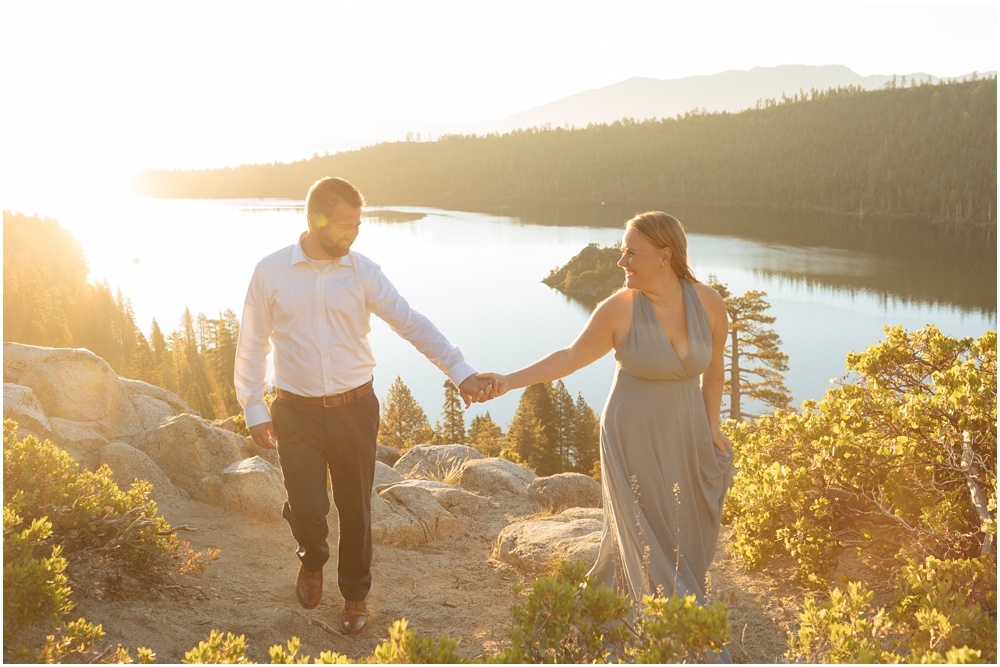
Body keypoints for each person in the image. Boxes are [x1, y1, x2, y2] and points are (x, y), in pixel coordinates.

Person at [234, 176, 494, 635]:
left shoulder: (363, 272)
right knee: (308, 506)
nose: (352, 235)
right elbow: (252, 344)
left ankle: (355, 593)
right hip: (295, 410)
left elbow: (411, 323)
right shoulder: (270, 272)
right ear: (314, 220)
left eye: (357, 225)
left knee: (355, 508)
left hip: (355, 408)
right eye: (342, 226)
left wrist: (460, 370)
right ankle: (311, 558)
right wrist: (253, 405)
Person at [480, 211, 736, 661]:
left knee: (685, 525)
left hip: (687, 428)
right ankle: (671, 626)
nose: (622, 260)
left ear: (665, 255)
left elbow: (713, 372)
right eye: (623, 250)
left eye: (631, 252)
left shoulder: (708, 302)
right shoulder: (620, 308)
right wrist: (507, 380)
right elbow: (569, 358)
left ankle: (641, 602)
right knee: (643, 528)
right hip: (630, 432)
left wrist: (712, 426)